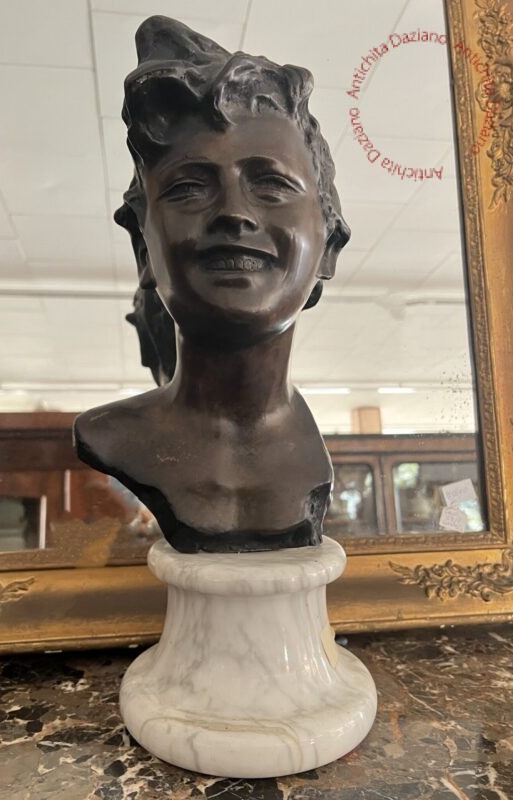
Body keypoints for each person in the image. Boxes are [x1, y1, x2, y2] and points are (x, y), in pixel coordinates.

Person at [74, 15, 350, 553]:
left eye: (271, 184)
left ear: (329, 246)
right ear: (143, 249)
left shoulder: (311, 451)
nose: (234, 214)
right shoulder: (108, 437)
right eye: (188, 188)